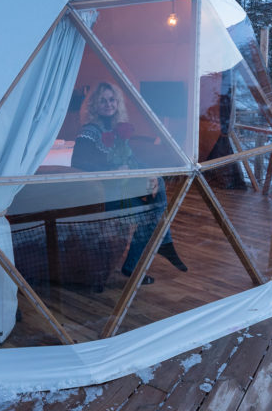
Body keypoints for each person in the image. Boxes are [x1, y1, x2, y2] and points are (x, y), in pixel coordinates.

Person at [71, 82, 188, 283]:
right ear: (94, 105)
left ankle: (152, 252)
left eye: (112, 99)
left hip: (119, 189)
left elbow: (131, 159)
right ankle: (147, 256)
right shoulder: (89, 131)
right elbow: (78, 163)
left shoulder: (115, 129)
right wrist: (111, 170)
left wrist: (149, 172)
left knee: (157, 186)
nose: (108, 104)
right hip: (103, 195)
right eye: (103, 101)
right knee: (152, 215)